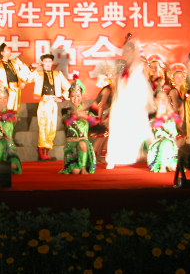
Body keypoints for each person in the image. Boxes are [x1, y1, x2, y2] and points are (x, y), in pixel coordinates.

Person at [105, 35, 154, 169]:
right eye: (125, 51)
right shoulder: (123, 67)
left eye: (128, 50)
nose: (126, 53)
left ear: (133, 51)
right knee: (117, 129)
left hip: (135, 102)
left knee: (144, 130)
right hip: (121, 102)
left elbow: (144, 83)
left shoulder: (140, 65)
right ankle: (113, 158)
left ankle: (159, 156)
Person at [28, 53, 71, 161]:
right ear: (42, 63)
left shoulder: (57, 74)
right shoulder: (38, 74)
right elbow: (27, 78)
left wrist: (61, 98)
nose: (47, 64)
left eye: (49, 61)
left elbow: (68, 87)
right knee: (44, 126)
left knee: (52, 126)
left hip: (53, 102)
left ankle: (47, 150)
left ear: (52, 62)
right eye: (45, 62)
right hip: (43, 102)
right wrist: (31, 67)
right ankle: (41, 150)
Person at [59, 78, 97, 174]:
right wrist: (75, 116)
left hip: (83, 144)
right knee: (75, 171)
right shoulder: (66, 110)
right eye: (73, 96)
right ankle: (78, 167)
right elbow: (67, 123)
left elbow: (95, 123)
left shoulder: (87, 110)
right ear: (69, 96)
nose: (75, 99)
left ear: (81, 96)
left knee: (82, 143)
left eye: (78, 96)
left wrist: (85, 116)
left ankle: (84, 168)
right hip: (71, 146)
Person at [0, 43, 32, 111]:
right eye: (7, 49)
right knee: (4, 112)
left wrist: (24, 81)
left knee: (15, 112)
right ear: (2, 53)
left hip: (16, 90)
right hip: (5, 92)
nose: (10, 50)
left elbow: (26, 71)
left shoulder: (16, 62)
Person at [0, 85, 22, 174]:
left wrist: (0, 117)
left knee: (15, 166)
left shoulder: (11, 115)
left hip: (8, 143)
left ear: (8, 98)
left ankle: (0, 165)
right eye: (0, 98)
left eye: (5, 98)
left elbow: (8, 130)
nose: (2, 100)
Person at [147, 90, 181, 173]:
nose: (163, 100)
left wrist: (171, 114)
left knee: (174, 167)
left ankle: (169, 164)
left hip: (172, 143)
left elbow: (180, 122)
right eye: (160, 98)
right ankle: (162, 165)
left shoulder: (171, 113)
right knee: (166, 143)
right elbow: (155, 126)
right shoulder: (152, 114)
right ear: (156, 100)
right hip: (159, 142)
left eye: (165, 98)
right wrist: (161, 117)